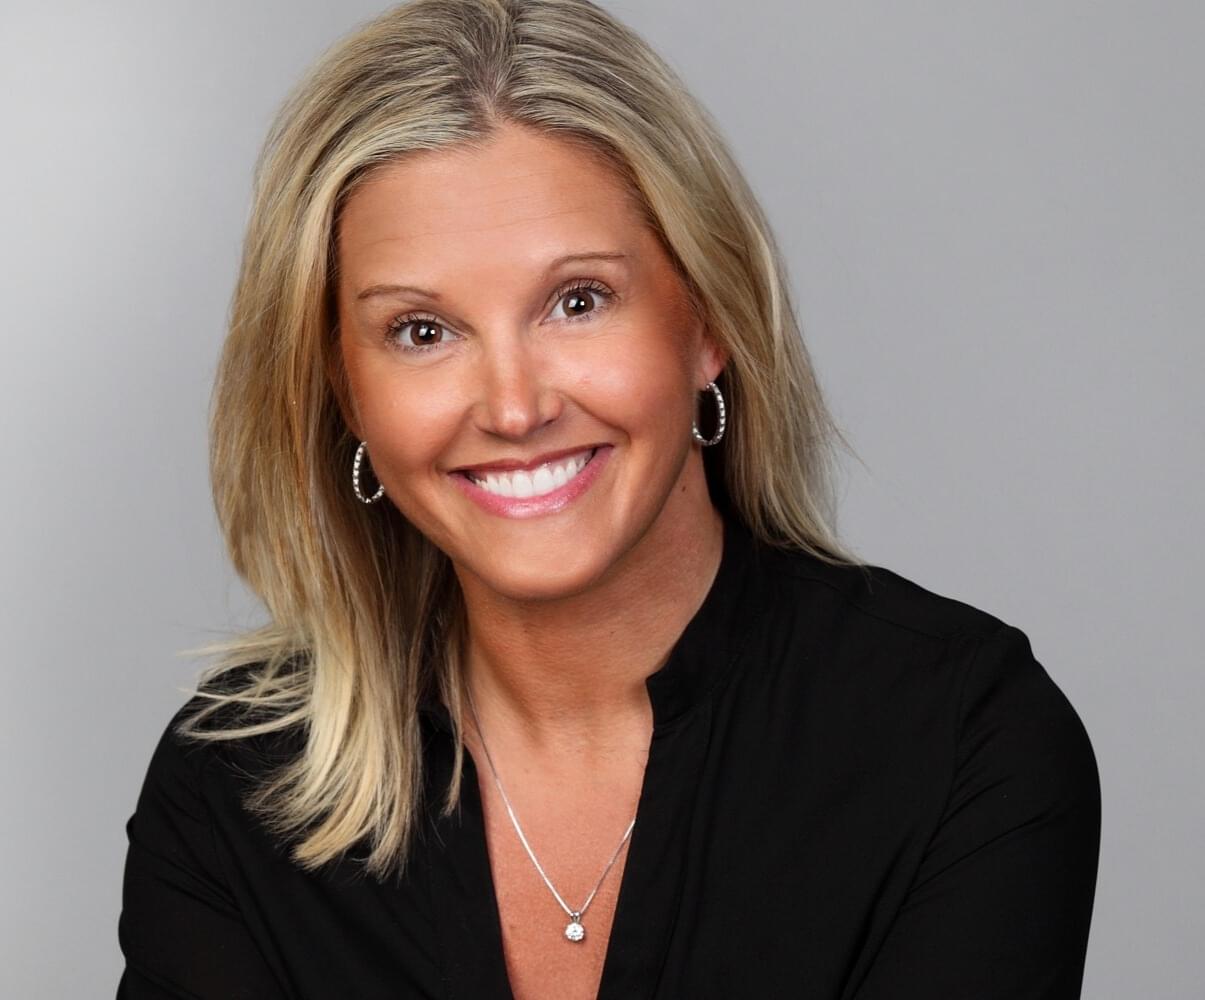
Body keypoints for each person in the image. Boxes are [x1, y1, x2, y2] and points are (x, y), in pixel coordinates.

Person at [116, 0, 1101, 997]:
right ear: (345, 393)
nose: (513, 407)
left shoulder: (958, 738)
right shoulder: (229, 791)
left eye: (577, 301)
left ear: (708, 321)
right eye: (421, 331)